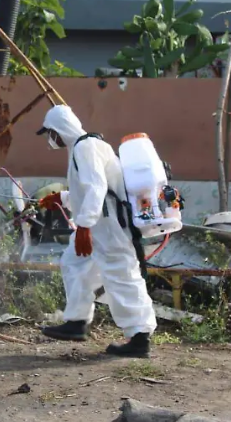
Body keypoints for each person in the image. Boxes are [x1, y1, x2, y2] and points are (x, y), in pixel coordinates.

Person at [35, 105, 157, 358]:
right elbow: (91, 189)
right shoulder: (85, 147)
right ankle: (76, 323)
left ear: (59, 130)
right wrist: (64, 197)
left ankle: (139, 337)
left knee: (121, 275)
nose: (50, 139)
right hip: (101, 224)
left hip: (108, 226)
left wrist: (84, 227)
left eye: (50, 133)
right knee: (74, 264)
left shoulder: (85, 147)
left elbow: (97, 188)